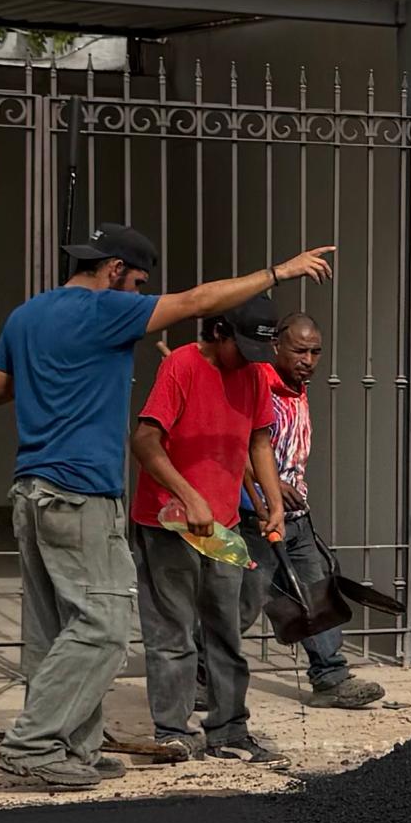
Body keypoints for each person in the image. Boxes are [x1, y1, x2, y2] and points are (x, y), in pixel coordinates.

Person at [0, 224, 330, 790]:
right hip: (81, 492)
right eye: (138, 282)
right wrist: (278, 272)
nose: (140, 294)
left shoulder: (27, 316)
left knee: (55, 630)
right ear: (115, 270)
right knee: (105, 626)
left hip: (31, 492)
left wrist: (53, 372)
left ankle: (75, 746)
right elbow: (196, 301)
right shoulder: (108, 310)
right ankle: (34, 743)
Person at [128, 296, 281, 760]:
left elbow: (258, 441)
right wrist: (188, 495)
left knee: (225, 631)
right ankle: (172, 732)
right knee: (172, 632)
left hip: (223, 527)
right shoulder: (181, 366)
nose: (250, 360)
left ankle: (229, 729)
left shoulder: (254, 374)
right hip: (168, 522)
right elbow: (145, 441)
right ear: (219, 332)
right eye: (244, 348)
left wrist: (274, 502)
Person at [246, 311, 387, 710]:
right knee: (242, 604)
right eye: (299, 350)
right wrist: (273, 486)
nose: (308, 360)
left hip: (296, 518)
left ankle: (330, 678)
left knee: (316, 593)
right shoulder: (257, 385)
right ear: (276, 346)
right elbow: (235, 447)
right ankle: (203, 677)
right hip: (255, 516)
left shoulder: (298, 389)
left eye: (315, 352)